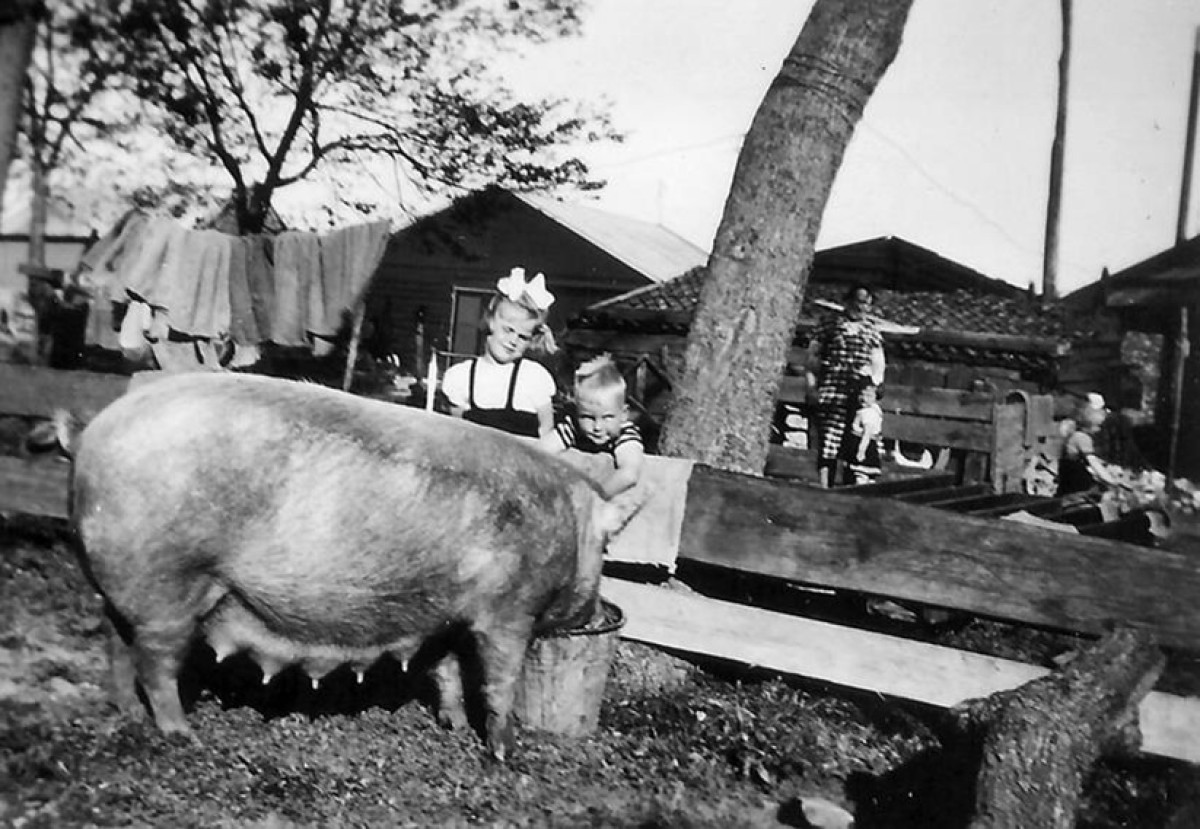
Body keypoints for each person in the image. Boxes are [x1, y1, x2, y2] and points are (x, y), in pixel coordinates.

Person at [442, 268, 557, 438]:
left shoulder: (533, 378)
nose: (513, 341)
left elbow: (546, 433)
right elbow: (455, 434)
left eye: (523, 337)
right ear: (490, 321)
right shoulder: (461, 377)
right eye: (508, 330)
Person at [806, 285, 886, 487]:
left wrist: (873, 389)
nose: (862, 307)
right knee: (828, 444)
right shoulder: (829, 326)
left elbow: (878, 367)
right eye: (859, 301)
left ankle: (851, 488)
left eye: (867, 303)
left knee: (856, 442)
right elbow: (812, 359)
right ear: (848, 301)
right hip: (833, 391)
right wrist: (811, 387)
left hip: (858, 397)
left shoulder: (871, 332)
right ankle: (825, 487)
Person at [539, 353, 644, 498]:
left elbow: (629, 474)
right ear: (577, 413)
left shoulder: (625, 434)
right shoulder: (573, 428)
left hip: (605, 498)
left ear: (623, 414)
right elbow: (539, 452)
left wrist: (593, 497)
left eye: (607, 417)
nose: (597, 427)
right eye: (588, 417)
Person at [1056, 394, 1108, 496]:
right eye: (1099, 426)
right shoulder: (1081, 437)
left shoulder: (1079, 435)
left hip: (1074, 488)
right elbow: (1094, 464)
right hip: (1076, 492)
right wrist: (1111, 481)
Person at [838, 372, 884, 486]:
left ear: (875, 397)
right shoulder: (869, 411)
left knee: (861, 477)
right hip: (863, 446)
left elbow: (867, 433)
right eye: (862, 395)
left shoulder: (868, 413)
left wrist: (861, 451)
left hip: (864, 448)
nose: (863, 399)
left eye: (869, 396)